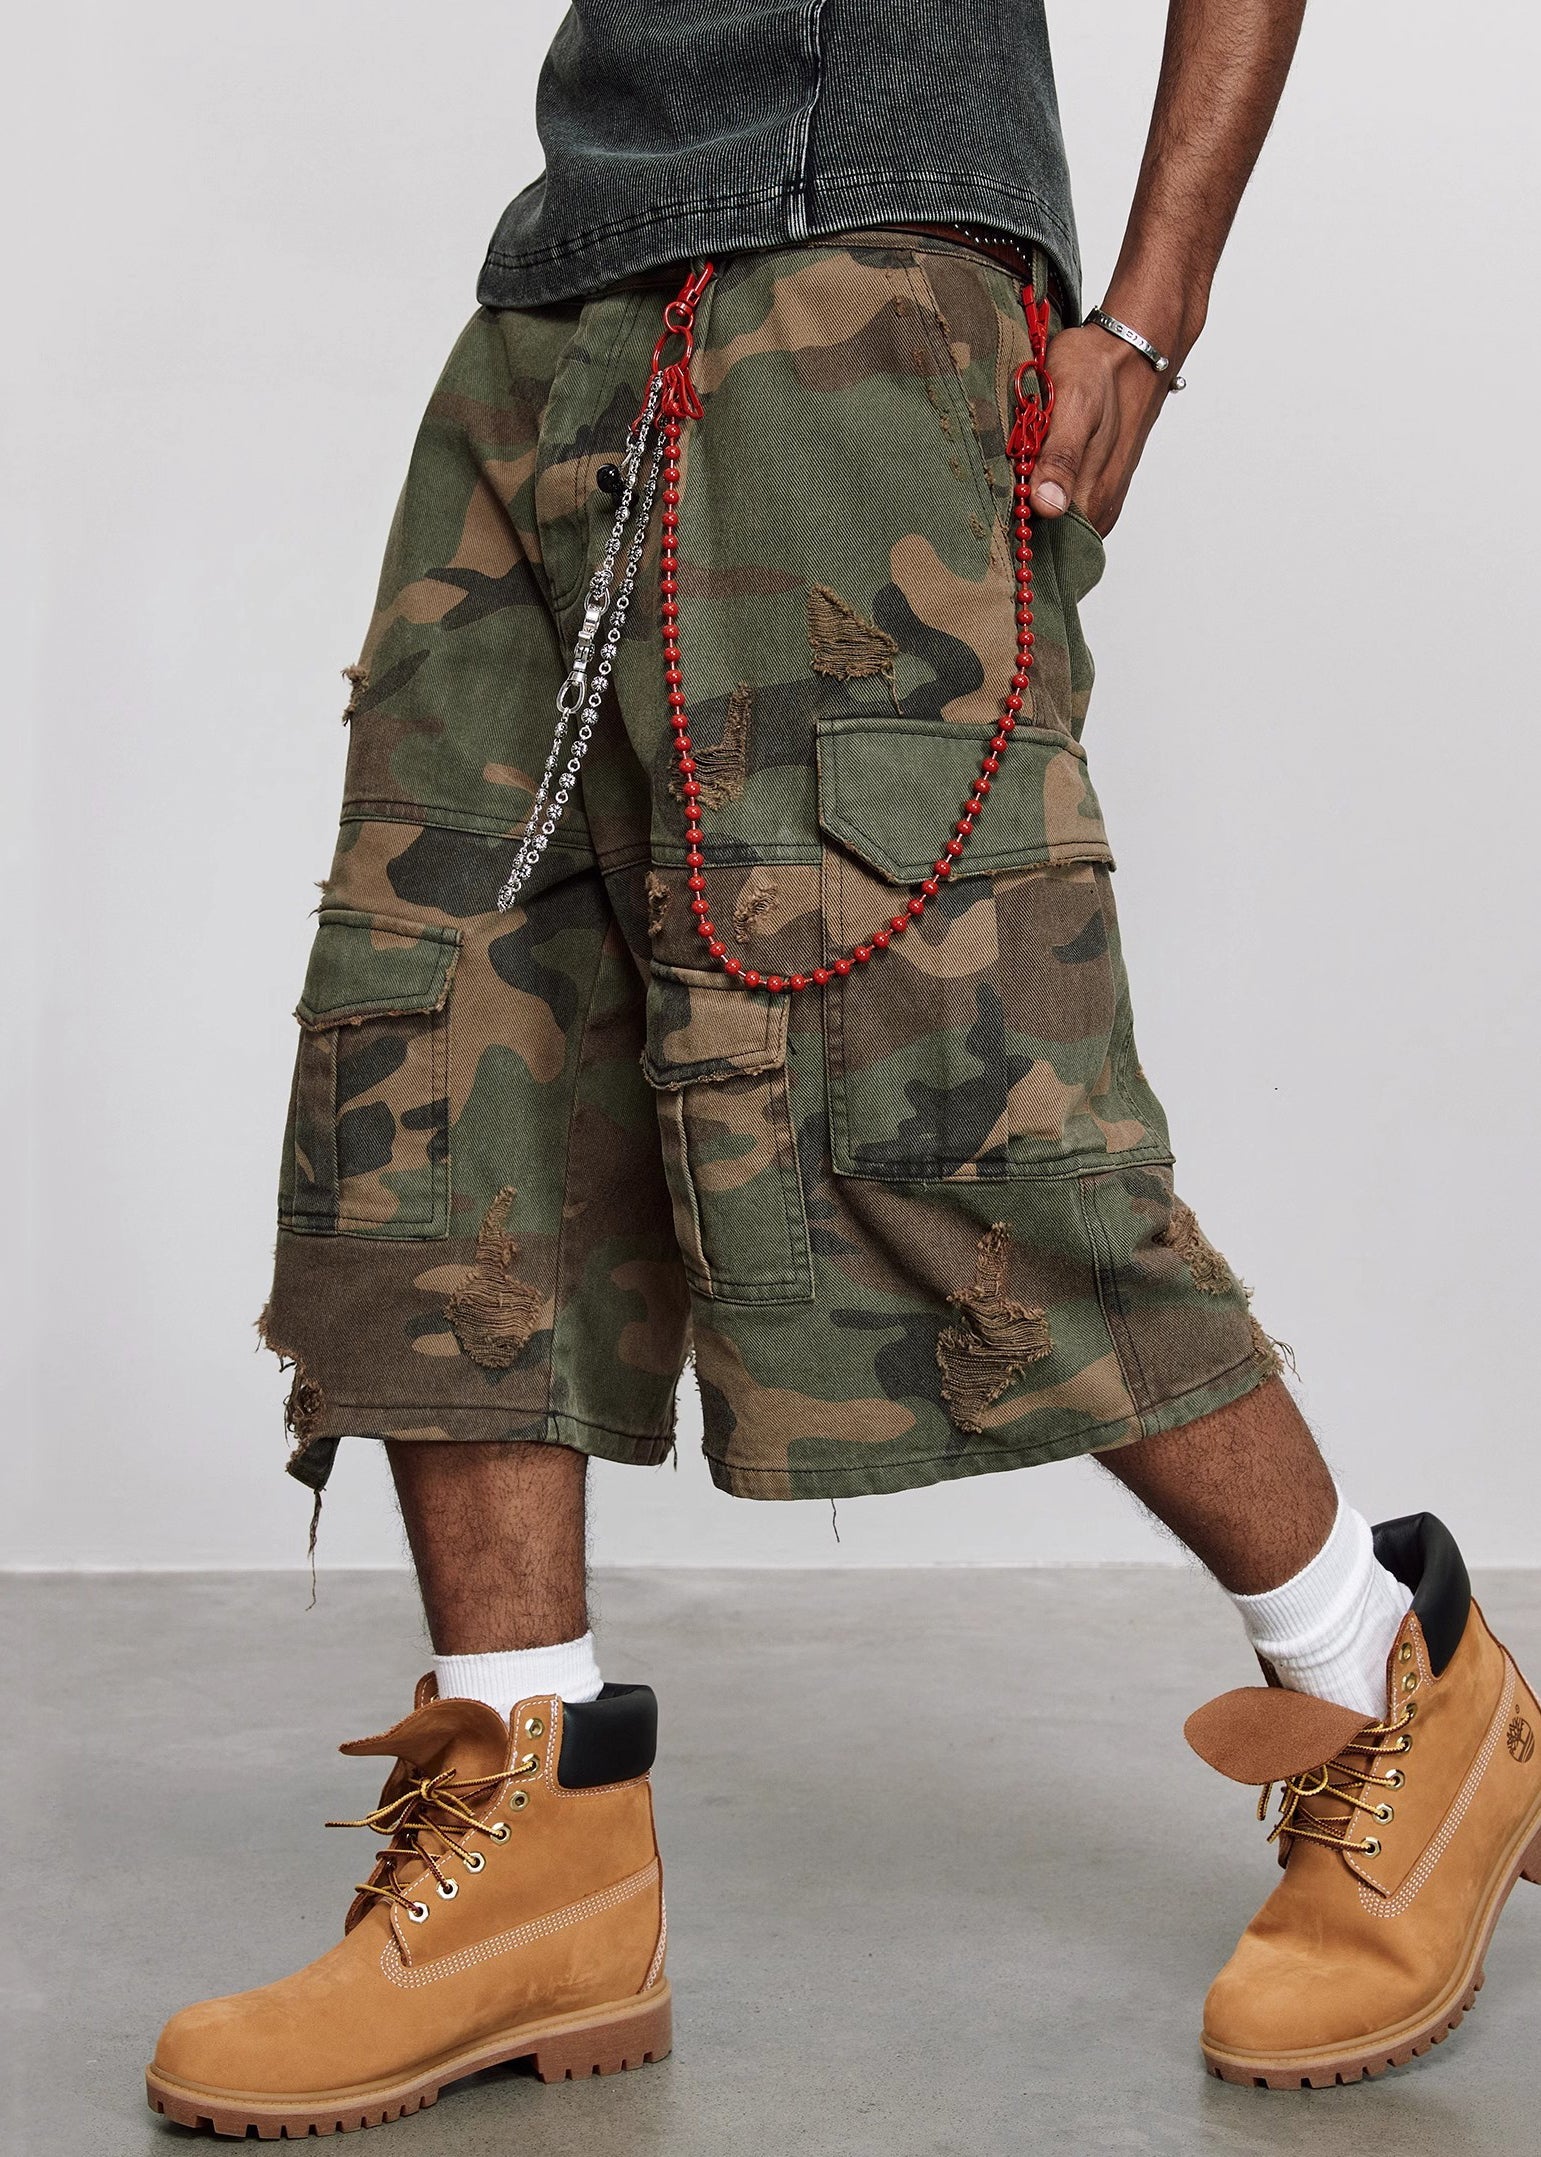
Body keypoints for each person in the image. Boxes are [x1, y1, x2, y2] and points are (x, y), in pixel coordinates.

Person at [146, 0, 1541, 2134]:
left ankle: (1386, 1677)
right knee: (439, 1060)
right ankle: (534, 1818)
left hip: (862, 285)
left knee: (945, 1097)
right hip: (559, 305)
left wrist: (1149, 314)